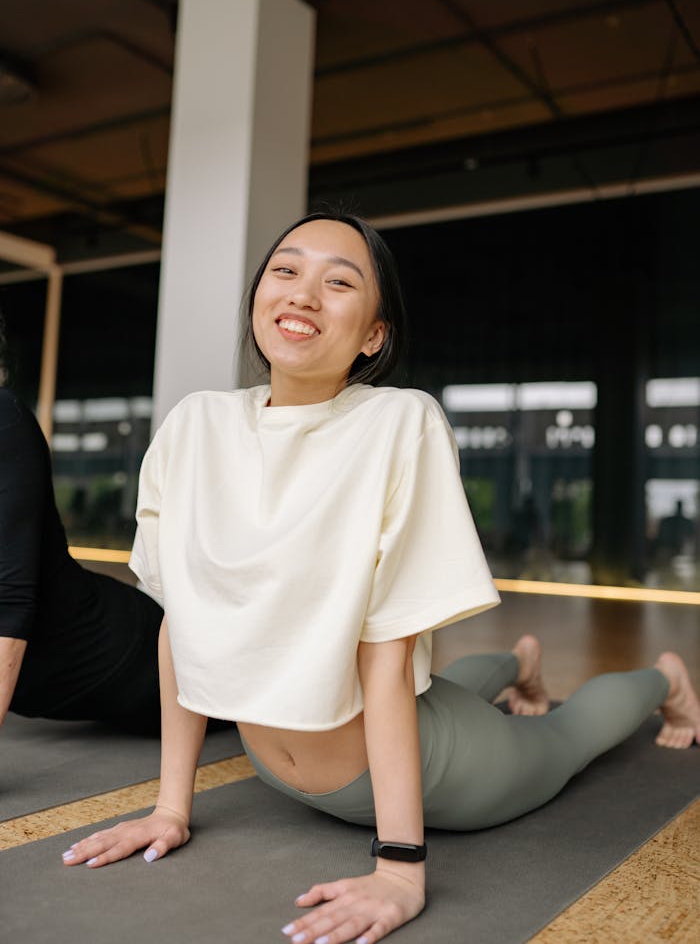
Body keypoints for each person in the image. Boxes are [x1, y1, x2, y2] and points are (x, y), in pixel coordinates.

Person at [62, 214, 700, 944]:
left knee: (568, 735)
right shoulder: (194, 426)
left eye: (339, 283)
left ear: (373, 334)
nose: (304, 294)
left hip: (436, 776)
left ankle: (667, 681)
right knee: (450, 687)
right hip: (276, 769)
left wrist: (400, 867)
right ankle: (519, 664)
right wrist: (170, 808)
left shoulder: (399, 423)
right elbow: (186, 623)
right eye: (286, 271)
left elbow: (388, 655)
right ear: (259, 298)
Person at [0, 314, 164, 735]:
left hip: (122, 659)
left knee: (254, 701)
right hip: (55, 687)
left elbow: (10, 602)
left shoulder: (4, 419)